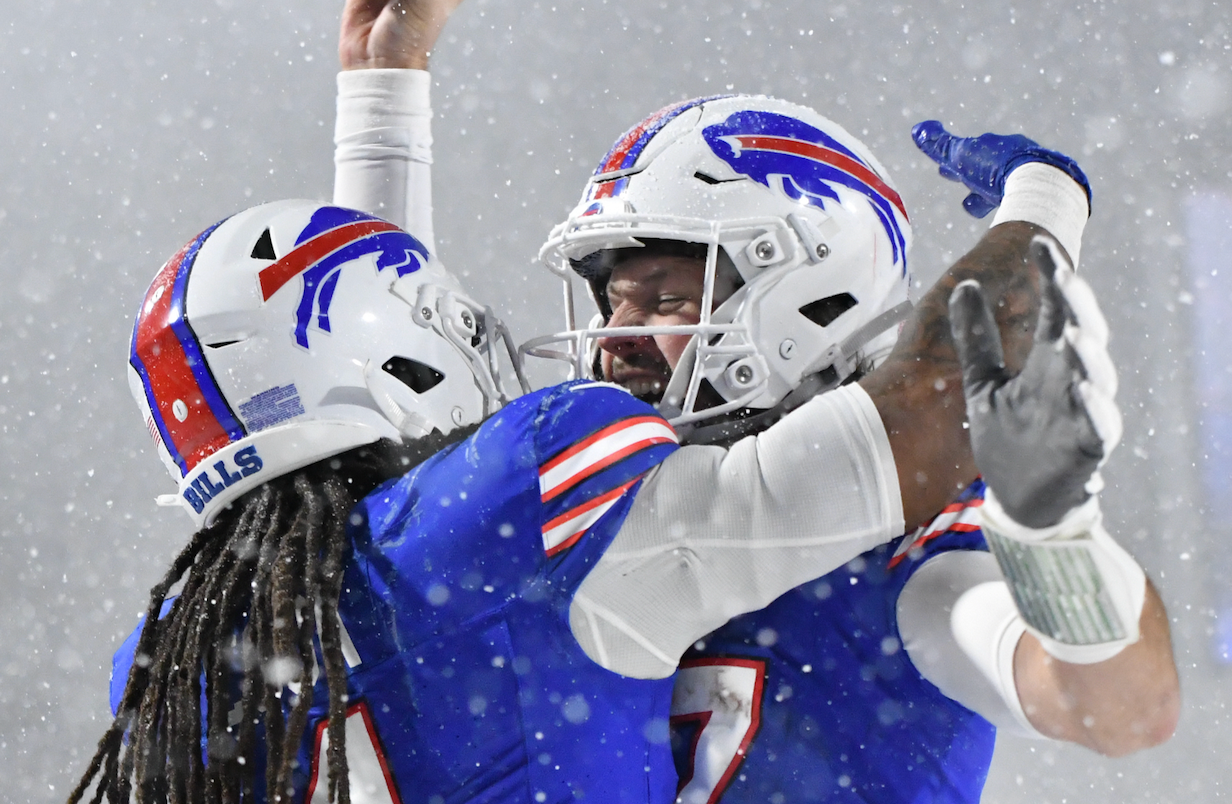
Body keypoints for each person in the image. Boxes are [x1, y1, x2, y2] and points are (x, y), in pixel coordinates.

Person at [332, 2, 1179, 802]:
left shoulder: (905, 553)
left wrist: (1056, 538)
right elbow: (405, 448)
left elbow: (1118, 705)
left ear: (813, 297)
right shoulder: (620, 509)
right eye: (610, 301)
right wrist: (385, 89)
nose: (615, 337)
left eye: (664, 299)